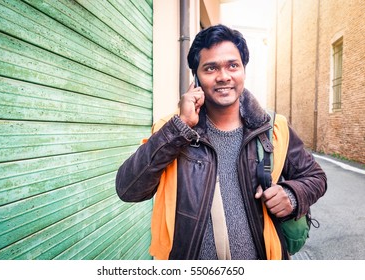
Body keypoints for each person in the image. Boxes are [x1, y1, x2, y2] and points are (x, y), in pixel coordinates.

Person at [116, 24, 327, 260]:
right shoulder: (172, 130)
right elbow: (128, 189)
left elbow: (316, 177)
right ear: (196, 77)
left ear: (243, 71)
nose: (224, 76)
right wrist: (180, 127)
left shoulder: (273, 128)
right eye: (211, 68)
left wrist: (292, 195)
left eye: (232, 65)